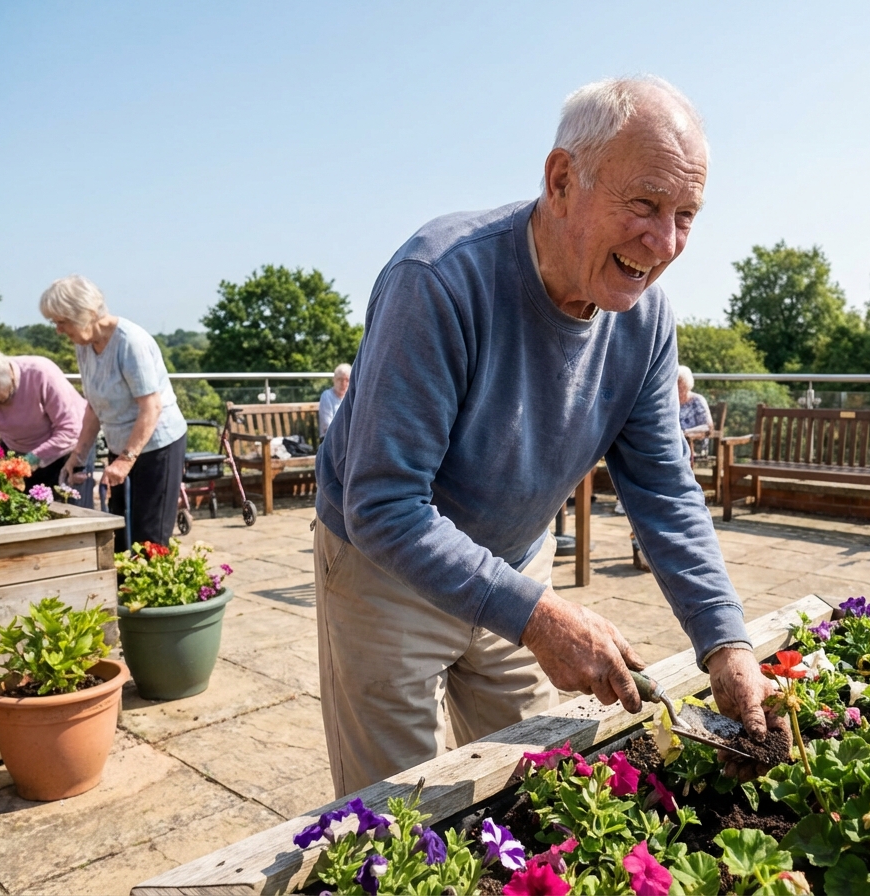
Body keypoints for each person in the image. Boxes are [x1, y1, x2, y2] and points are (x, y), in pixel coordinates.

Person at [314, 76, 776, 796]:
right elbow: (383, 504)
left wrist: (726, 641)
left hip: (516, 561)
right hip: (387, 573)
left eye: (687, 214)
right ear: (563, 179)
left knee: (535, 790)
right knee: (400, 819)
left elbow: (662, 487)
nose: (665, 242)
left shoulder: (646, 320)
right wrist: (535, 617)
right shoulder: (438, 280)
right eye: (645, 204)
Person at [40, 275, 188, 552]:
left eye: (62, 321)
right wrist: (78, 455)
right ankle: (123, 591)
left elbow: (151, 407)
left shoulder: (130, 342)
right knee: (121, 530)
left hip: (158, 445)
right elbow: (94, 406)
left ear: (86, 314)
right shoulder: (84, 345)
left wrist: (125, 461)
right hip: (122, 445)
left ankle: (153, 594)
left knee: (149, 536)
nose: (58, 330)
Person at [0, 344, 90, 495]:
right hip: (18, 449)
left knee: (68, 507)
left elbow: (71, 429)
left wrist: (33, 459)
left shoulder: (40, 373)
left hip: (71, 446)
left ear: (9, 378)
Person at [319, 364, 350, 437]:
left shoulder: (351, 397)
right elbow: (327, 425)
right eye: (340, 379)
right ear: (334, 380)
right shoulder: (327, 396)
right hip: (330, 439)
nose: (343, 383)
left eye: (347, 380)